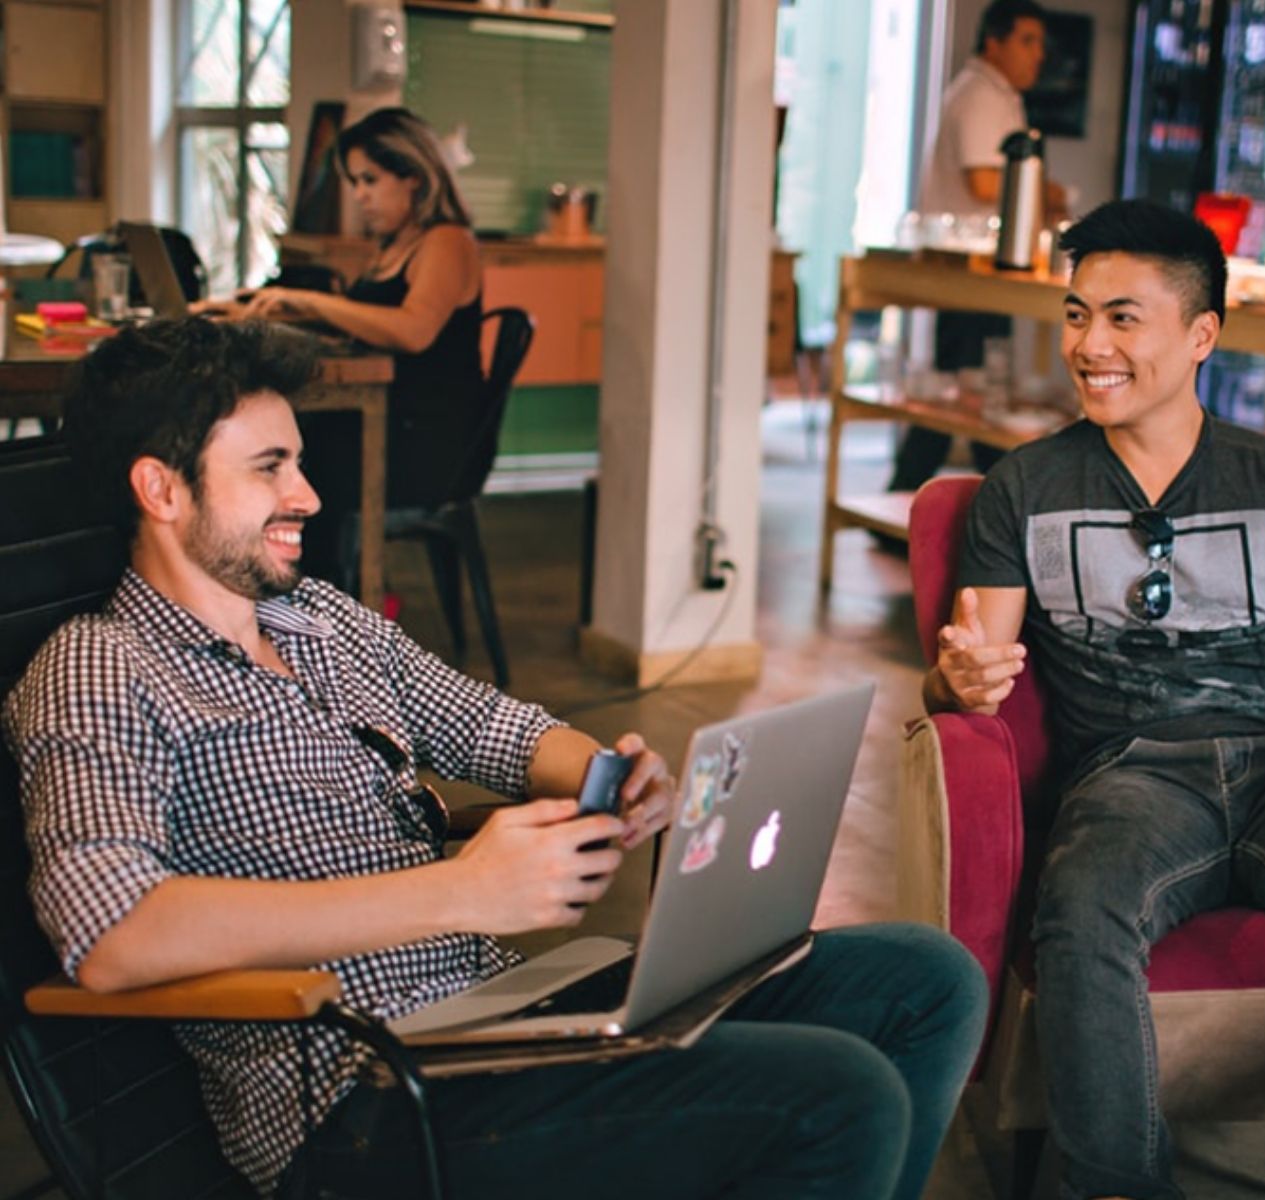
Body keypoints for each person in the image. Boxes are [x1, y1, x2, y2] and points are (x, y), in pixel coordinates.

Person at [4, 318, 988, 1200]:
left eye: (297, 461)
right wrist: (461, 894)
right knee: (834, 1097)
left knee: (924, 979)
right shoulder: (100, 666)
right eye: (268, 467)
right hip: (361, 1102)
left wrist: (607, 778)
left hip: (496, 1022)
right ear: (160, 487)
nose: (306, 492)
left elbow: (497, 729)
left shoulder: (319, 622)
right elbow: (112, 934)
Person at [926, 201, 1265, 1200]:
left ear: (1201, 335)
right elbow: (972, 663)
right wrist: (957, 680)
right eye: (1075, 314)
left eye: (1123, 318)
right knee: (1083, 905)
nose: (1089, 346)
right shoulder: (1025, 486)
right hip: (1129, 772)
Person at [197, 107, 486, 581]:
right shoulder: (395, 245)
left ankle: (310, 604)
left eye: (370, 180)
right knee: (275, 451)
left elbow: (413, 330)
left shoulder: (448, 242)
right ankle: (275, 595)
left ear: (413, 176)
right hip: (389, 421)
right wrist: (270, 310)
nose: (360, 196)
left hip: (424, 443)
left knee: (287, 464)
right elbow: (366, 324)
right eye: (355, 182)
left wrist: (308, 301)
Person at [887, 0, 1065, 496]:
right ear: (995, 41)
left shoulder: (996, 94)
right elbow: (988, 182)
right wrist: (1051, 193)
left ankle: (988, 502)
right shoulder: (981, 95)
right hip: (970, 270)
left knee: (973, 390)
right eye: (1027, 41)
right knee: (963, 393)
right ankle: (918, 502)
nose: (1038, 55)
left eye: (1040, 44)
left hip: (984, 270)